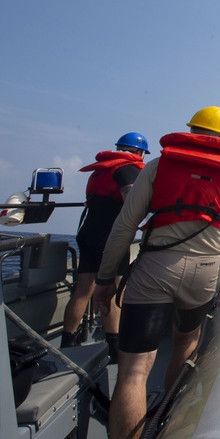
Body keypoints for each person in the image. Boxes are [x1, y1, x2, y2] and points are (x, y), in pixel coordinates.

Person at [92, 106, 220, 439]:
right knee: (185, 346)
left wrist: (104, 278)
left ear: (192, 132)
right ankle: (163, 431)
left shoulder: (157, 167)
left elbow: (124, 226)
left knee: (134, 371)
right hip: (204, 274)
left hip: (155, 270)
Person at [62, 132, 150, 360]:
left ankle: (66, 343)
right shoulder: (127, 169)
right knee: (113, 292)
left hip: (88, 234)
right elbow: (132, 199)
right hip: (110, 239)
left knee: (83, 290)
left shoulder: (102, 170)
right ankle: (114, 348)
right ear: (139, 152)